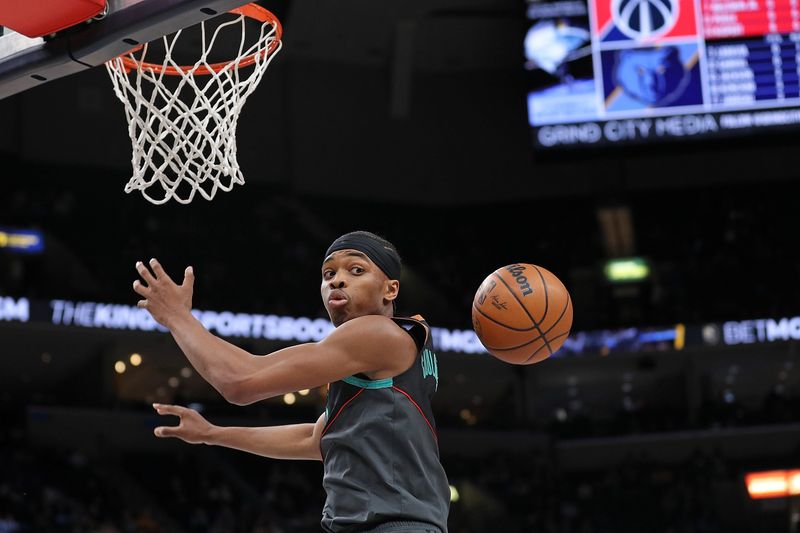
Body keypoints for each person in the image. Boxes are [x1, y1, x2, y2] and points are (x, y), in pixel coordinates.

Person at [133, 231, 450, 533]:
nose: (337, 279)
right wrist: (212, 434)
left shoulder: (377, 333)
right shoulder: (384, 355)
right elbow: (315, 440)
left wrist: (178, 318)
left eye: (356, 270)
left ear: (390, 290)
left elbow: (240, 382)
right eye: (328, 274)